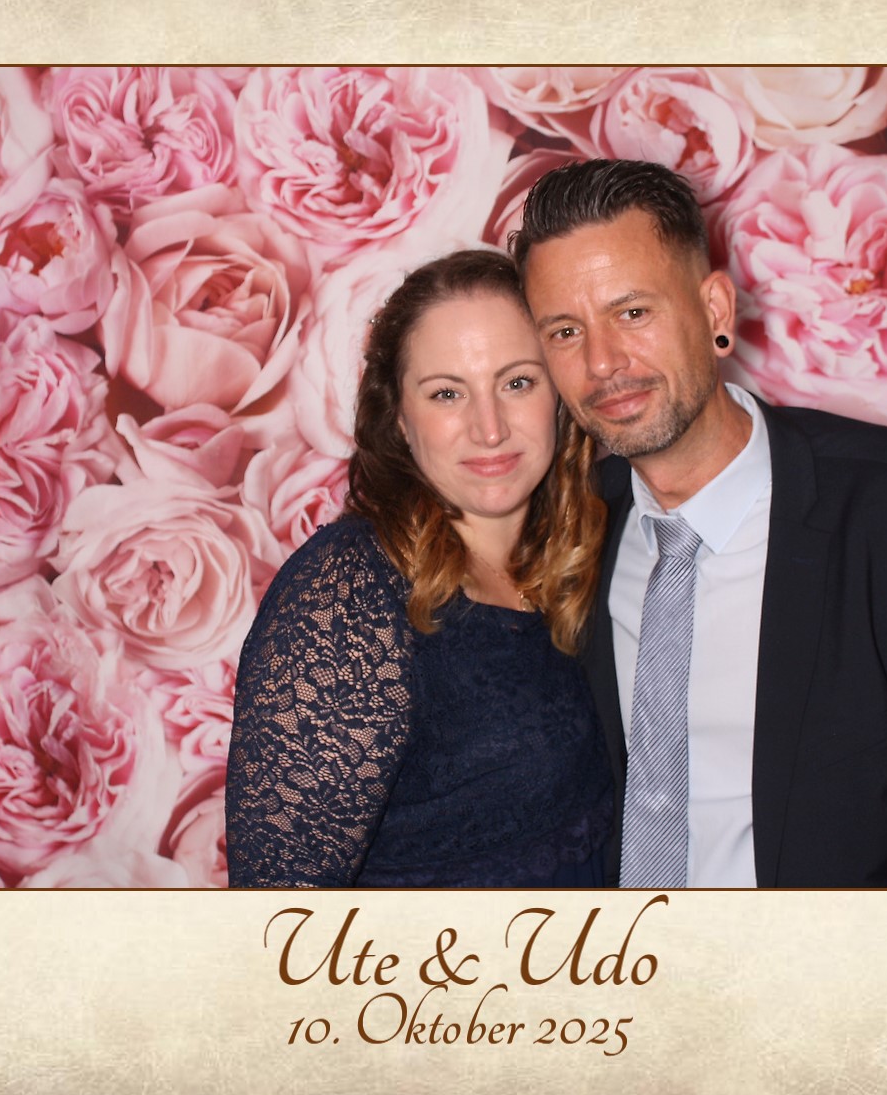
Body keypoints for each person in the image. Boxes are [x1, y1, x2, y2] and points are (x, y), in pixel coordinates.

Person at [510, 159, 887, 889]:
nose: (603, 362)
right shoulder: (564, 521)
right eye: (564, 331)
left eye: (633, 312)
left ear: (715, 311)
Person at [225, 249, 615, 887]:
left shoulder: (593, 549)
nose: (489, 429)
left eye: (517, 382)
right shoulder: (348, 596)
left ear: (560, 395)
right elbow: (278, 910)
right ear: (401, 420)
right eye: (446, 394)